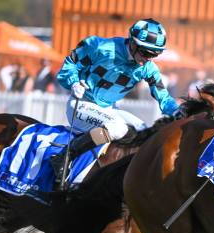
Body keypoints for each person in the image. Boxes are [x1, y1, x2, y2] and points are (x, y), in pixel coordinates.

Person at [53, 18, 183, 180]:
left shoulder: (148, 68)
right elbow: (70, 65)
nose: (147, 60)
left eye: (154, 54)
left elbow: (163, 97)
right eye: (145, 53)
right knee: (118, 128)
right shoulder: (98, 47)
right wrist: (73, 83)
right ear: (133, 44)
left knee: (144, 133)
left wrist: (179, 111)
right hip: (81, 104)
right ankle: (65, 156)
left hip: (108, 109)